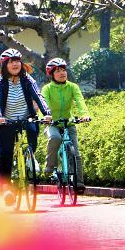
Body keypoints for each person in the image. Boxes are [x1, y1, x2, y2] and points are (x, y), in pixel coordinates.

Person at [0, 49, 51, 184]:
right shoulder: (0, 82)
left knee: (32, 134)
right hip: (5, 121)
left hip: (27, 117)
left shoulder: (27, 79)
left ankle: (30, 157)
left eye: (17, 61)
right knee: (5, 153)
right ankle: (5, 187)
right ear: (5, 65)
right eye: (11, 62)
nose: (15, 64)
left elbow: (38, 96)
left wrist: (47, 113)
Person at [41, 57, 90, 193]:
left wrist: (84, 114)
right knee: (55, 138)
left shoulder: (73, 87)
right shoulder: (47, 89)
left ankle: (78, 184)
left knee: (76, 154)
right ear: (51, 74)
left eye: (63, 70)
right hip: (52, 123)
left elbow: (80, 101)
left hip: (68, 123)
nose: (62, 73)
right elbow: (43, 104)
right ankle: (50, 167)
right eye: (58, 71)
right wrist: (45, 117)